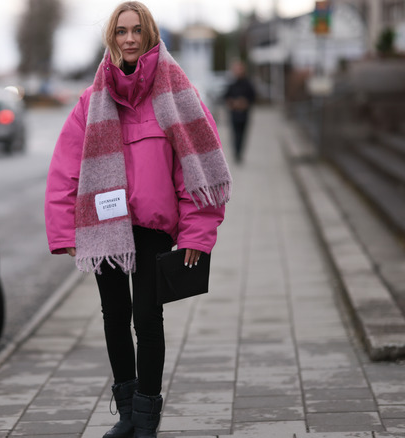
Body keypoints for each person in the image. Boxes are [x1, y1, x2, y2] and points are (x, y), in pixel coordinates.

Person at [44, 2, 230, 437]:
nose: (129, 38)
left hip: (151, 228)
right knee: (114, 315)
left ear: (149, 35)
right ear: (113, 38)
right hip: (104, 230)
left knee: (146, 319)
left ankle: (147, 418)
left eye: (137, 30)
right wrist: (63, 230)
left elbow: (197, 170)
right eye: (121, 31)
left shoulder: (175, 92)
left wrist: (196, 236)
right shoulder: (91, 102)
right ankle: (127, 416)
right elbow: (65, 171)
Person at [223, 61, 256, 164]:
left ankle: (240, 153)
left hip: (244, 114)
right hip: (234, 114)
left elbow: (252, 97)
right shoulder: (231, 84)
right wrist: (233, 103)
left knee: (242, 134)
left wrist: (244, 103)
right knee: (235, 134)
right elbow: (225, 98)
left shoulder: (248, 84)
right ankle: (236, 153)